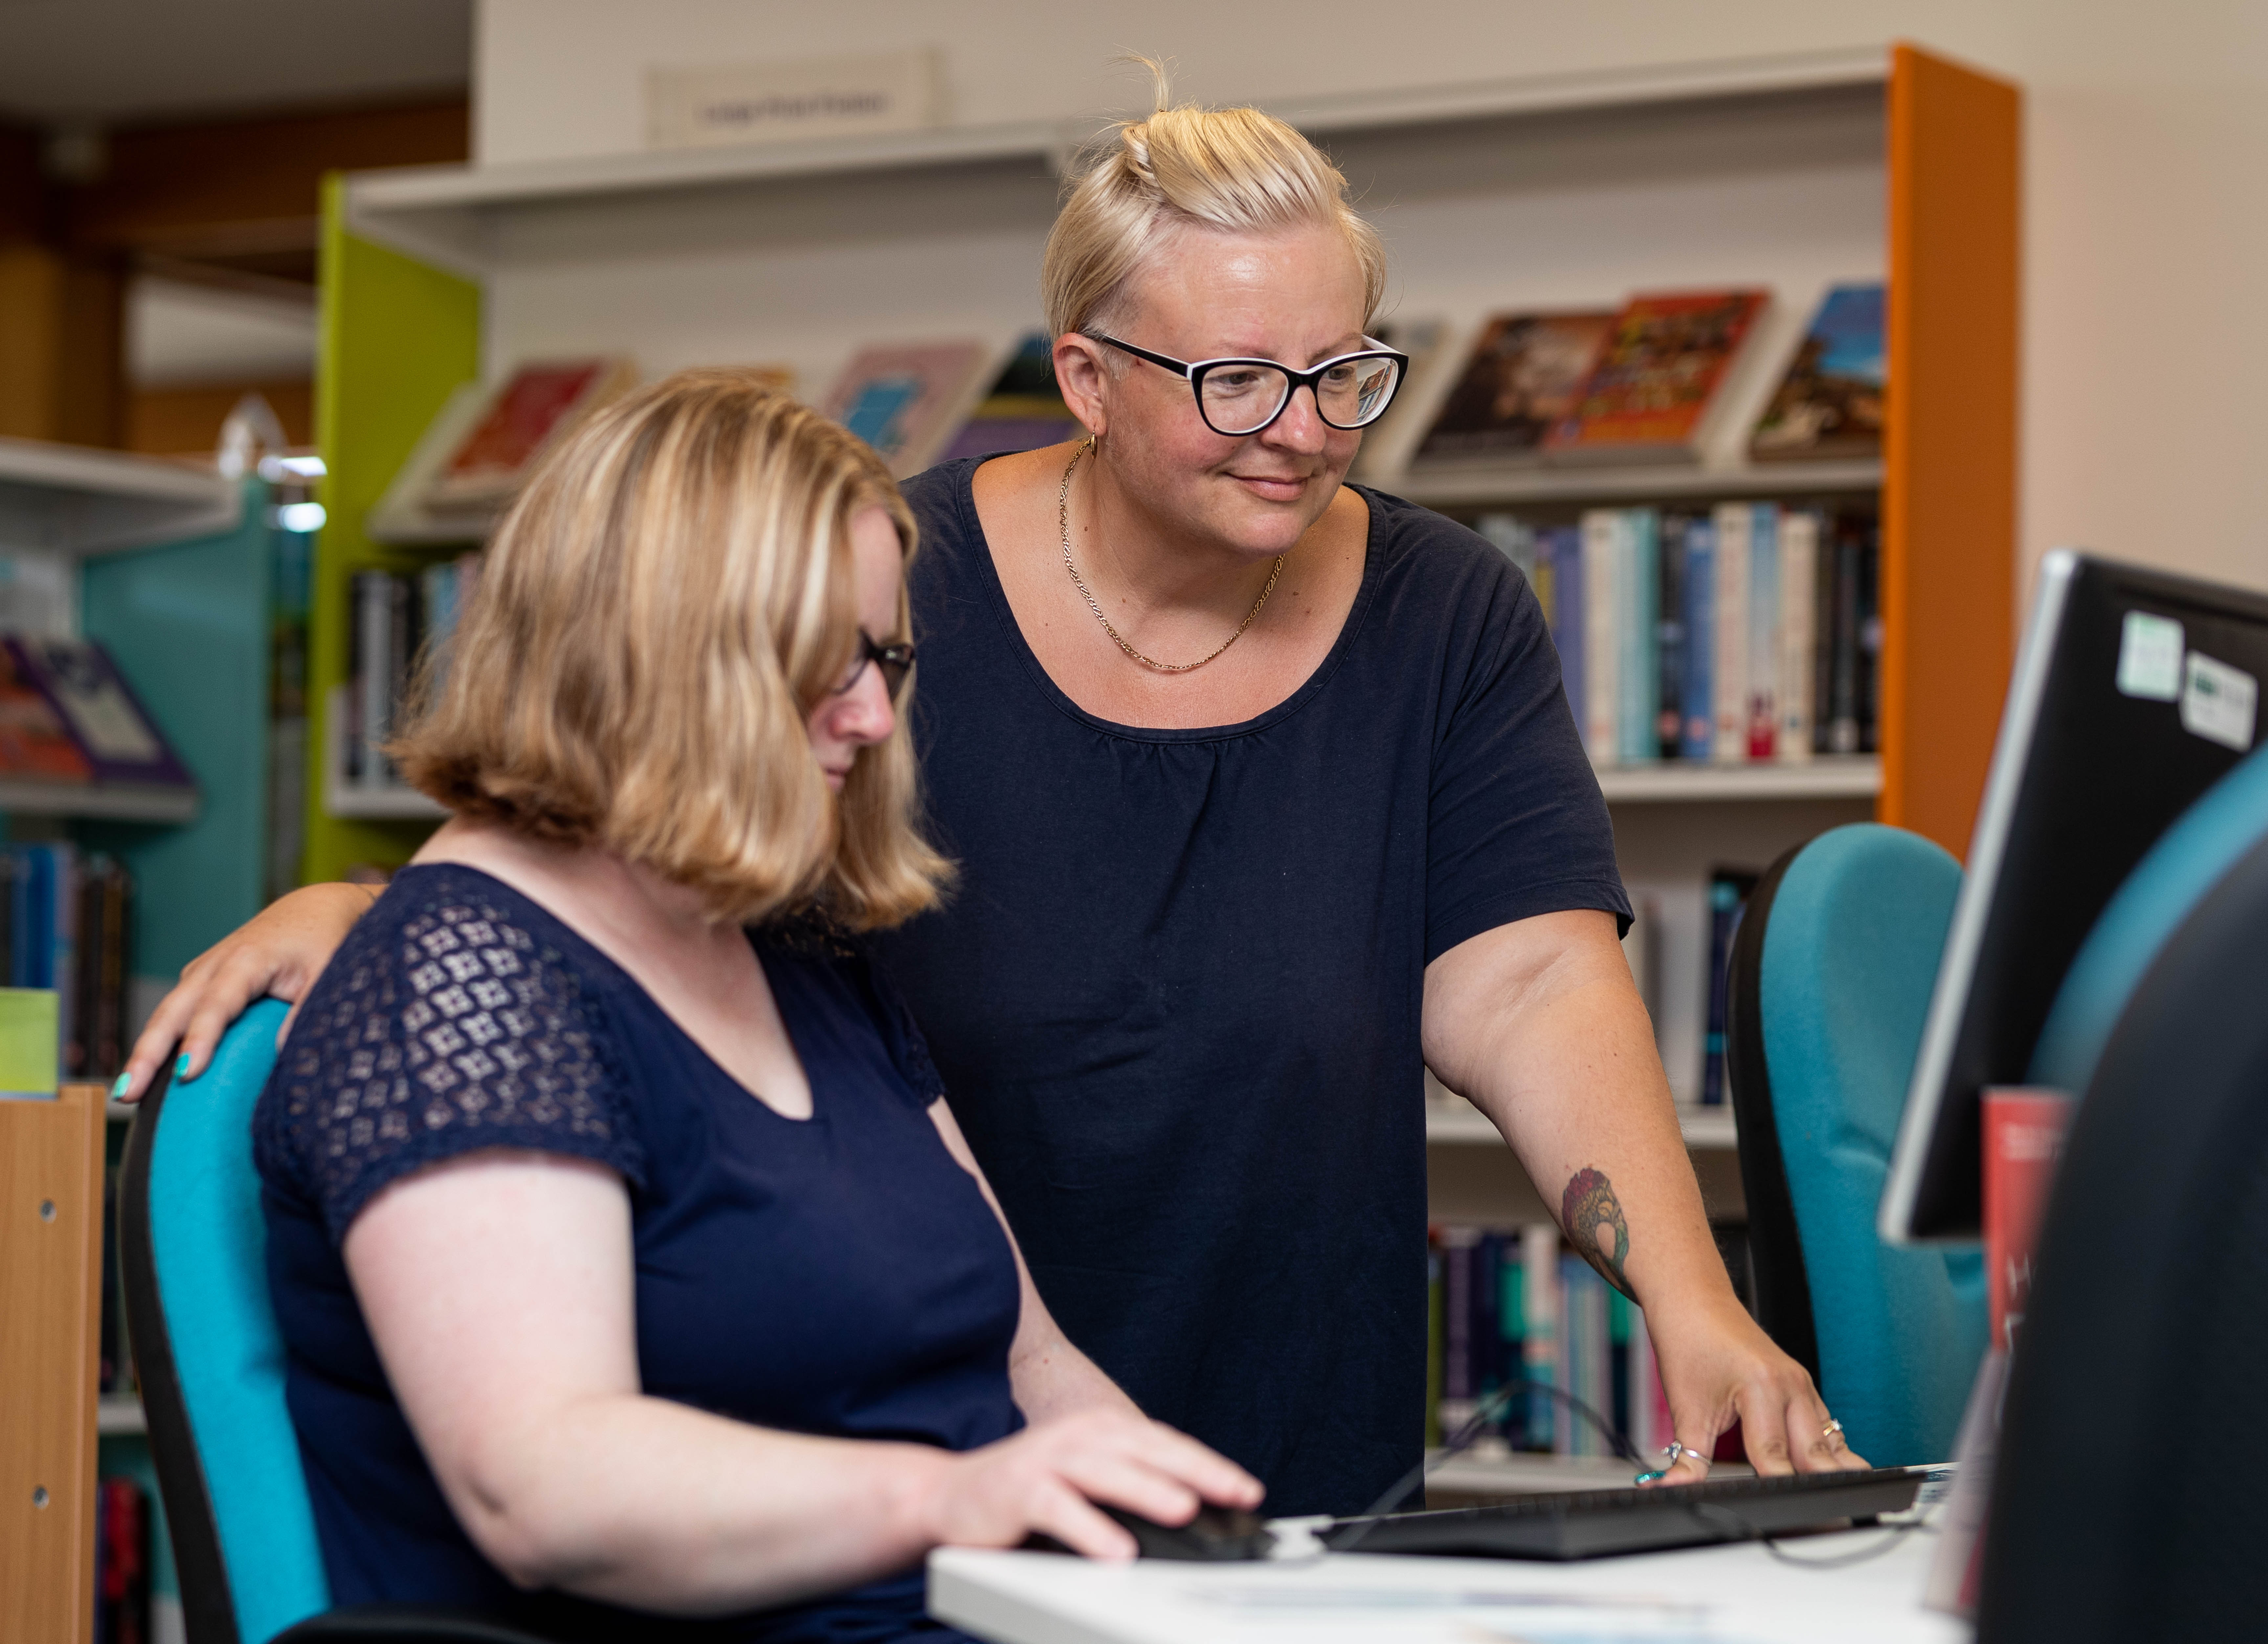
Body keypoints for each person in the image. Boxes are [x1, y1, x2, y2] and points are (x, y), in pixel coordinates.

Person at [131, 71, 1862, 1518]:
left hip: (1230, 1440)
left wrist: (1685, 1301)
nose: (1303, 428)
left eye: (1343, 373)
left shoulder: (1440, 604)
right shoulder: (880, 585)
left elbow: (1528, 976)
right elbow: (629, 807)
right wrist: (391, 913)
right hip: (874, 1471)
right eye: (1236, 380)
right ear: (1086, 374)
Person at [249, 372, 1259, 1641]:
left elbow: (1034, 1367)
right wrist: (959, 1497)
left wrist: (1206, 1556)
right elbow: (543, 1484)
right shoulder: (462, 982)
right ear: (654, 655)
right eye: (822, 663)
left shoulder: (795, 953)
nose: (874, 715)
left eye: (884, 656)